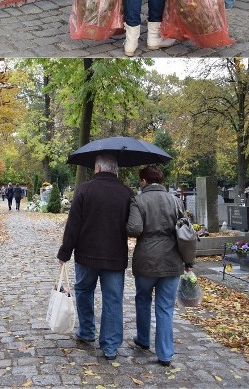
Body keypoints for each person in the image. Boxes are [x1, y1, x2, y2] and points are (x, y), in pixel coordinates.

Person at [57, 153, 133, 361]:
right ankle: (110, 346)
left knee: (83, 290)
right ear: (115, 170)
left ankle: (87, 331)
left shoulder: (84, 190)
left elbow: (73, 225)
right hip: (115, 256)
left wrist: (65, 253)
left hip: (86, 255)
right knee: (113, 299)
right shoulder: (127, 192)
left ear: (97, 169)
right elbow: (133, 225)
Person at [126, 165, 188, 367]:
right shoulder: (176, 201)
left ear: (144, 181)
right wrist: (189, 261)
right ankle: (165, 354)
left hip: (146, 259)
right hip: (172, 259)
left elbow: (134, 229)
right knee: (165, 307)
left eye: (140, 181)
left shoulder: (138, 199)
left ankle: (143, 339)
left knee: (143, 299)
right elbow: (186, 232)